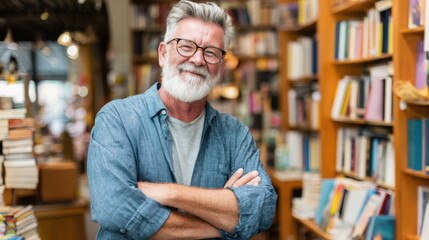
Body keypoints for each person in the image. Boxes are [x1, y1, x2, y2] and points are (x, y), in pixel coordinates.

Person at [87, 0, 277, 239]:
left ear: (220, 68)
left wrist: (170, 193)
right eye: (186, 46)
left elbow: (263, 209)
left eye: (210, 52)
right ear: (163, 54)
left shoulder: (234, 133)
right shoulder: (117, 120)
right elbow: (113, 207)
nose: (198, 60)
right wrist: (220, 222)